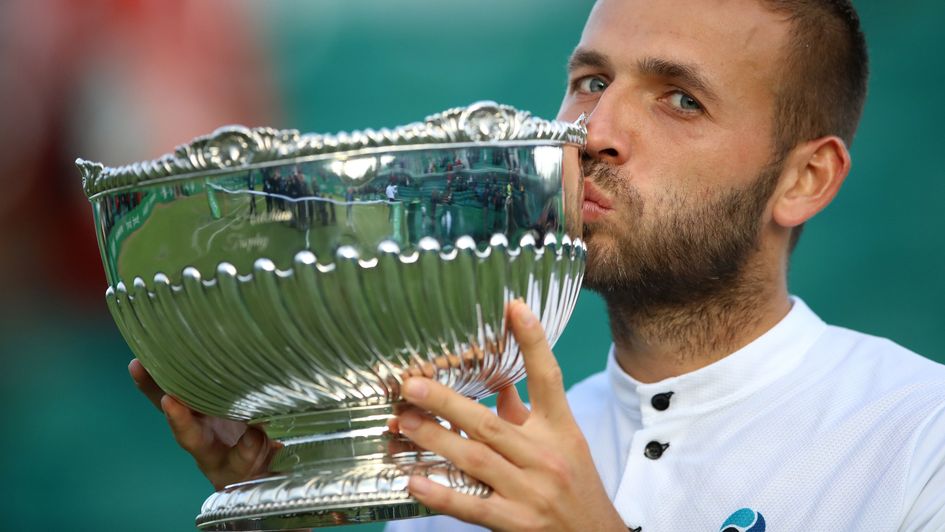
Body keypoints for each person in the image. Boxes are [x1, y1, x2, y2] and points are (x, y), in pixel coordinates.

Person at [128, 0, 945, 530]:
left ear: (804, 180)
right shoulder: (460, 466)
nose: (594, 131)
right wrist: (294, 487)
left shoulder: (917, 439)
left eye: (679, 99)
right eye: (590, 81)